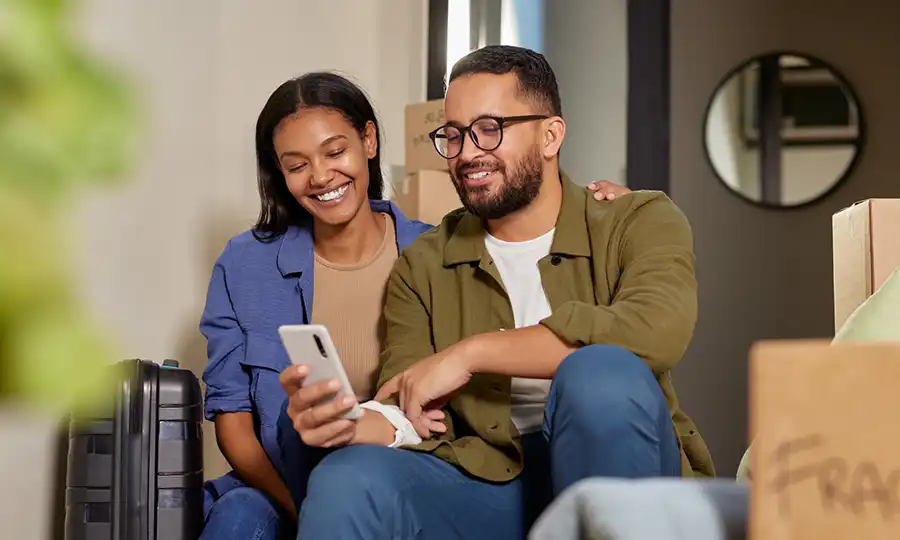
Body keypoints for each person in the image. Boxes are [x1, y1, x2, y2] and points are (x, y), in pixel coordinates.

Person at [280, 45, 715, 540]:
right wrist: (349, 425)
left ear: (551, 134)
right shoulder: (423, 262)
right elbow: (410, 399)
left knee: (601, 374)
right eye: (454, 134)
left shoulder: (637, 220)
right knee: (347, 477)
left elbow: (654, 331)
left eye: (490, 129)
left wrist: (473, 353)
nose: (467, 153)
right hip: (486, 483)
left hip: (617, 468)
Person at [198, 71, 625, 539]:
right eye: (296, 165)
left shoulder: (431, 255)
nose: (320, 176)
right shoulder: (245, 263)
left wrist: (597, 206)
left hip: (395, 469)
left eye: (336, 152)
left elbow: (524, 211)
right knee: (240, 513)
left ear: (369, 140)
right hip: (279, 484)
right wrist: (306, 510)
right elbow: (233, 423)